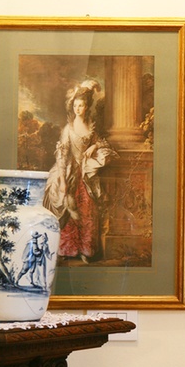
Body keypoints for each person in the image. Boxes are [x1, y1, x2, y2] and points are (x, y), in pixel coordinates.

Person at [43, 80, 118, 263]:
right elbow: (62, 155)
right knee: (68, 208)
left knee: (87, 210)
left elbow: (102, 143)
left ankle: (86, 250)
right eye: (75, 105)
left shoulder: (91, 127)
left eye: (81, 105)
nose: (78, 109)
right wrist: (62, 180)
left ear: (87, 107)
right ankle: (67, 250)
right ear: (73, 107)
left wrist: (94, 147)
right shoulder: (68, 129)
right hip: (69, 171)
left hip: (86, 173)